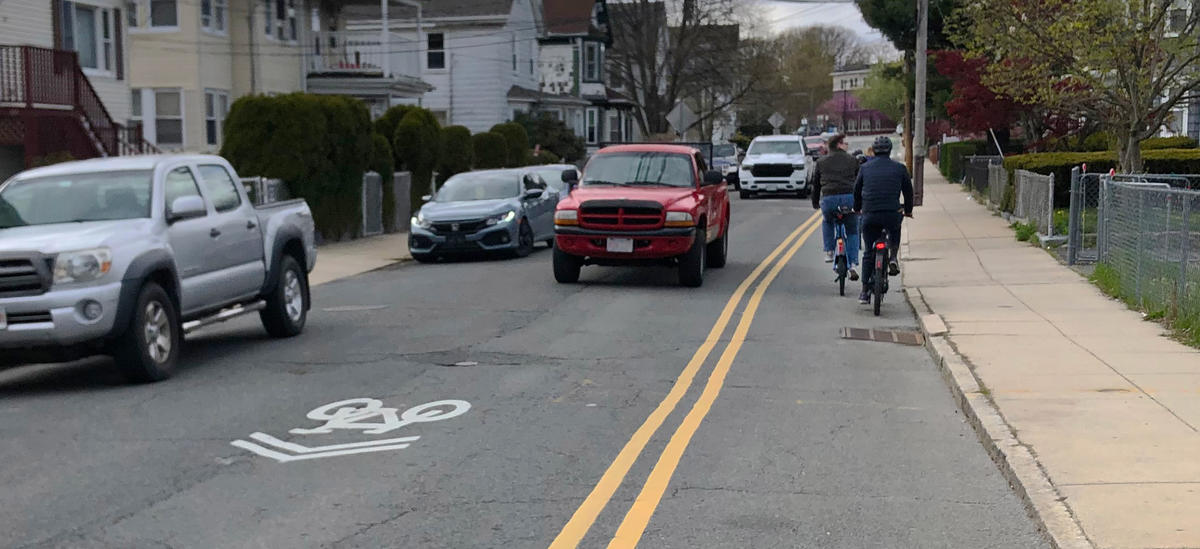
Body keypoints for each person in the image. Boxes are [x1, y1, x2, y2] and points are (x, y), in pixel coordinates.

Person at [853, 136, 913, 304]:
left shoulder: (864, 168)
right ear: (889, 150)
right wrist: (907, 211)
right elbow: (908, 192)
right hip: (891, 212)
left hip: (870, 214)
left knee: (868, 253)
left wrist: (857, 208)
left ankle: (864, 291)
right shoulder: (900, 168)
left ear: (874, 149)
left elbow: (857, 190)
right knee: (895, 226)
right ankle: (893, 256)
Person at [810, 134, 861, 280]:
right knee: (852, 230)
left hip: (829, 199)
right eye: (845, 143)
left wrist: (815, 202)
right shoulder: (853, 160)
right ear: (839, 145)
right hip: (848, 198)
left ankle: (829, 251)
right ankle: (852, 263)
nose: (847, 146)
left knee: (827, 220)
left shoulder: (821, 162)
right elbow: (859, 182)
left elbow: (816, 185)